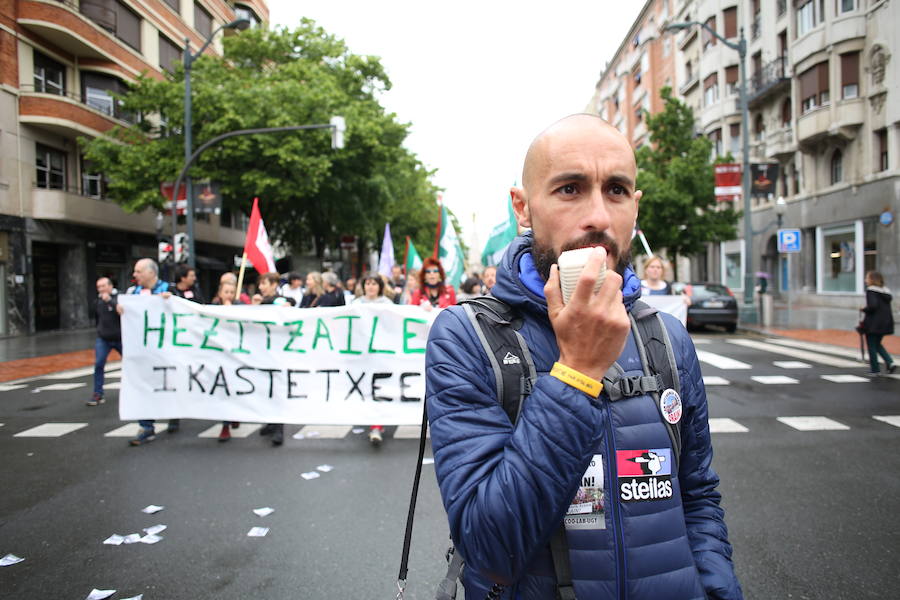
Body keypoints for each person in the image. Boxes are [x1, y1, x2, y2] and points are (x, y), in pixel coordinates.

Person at [425, 115, 742, 600]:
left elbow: (697, 496)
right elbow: (491, 547)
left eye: (616, 190)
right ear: (523, 208)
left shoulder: (667, 337)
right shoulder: (467, 336)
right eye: (570, 189)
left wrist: (718, 590)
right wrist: (576, 372)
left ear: (635, 209)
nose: (598, 216)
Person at [119, 259, 170, 446]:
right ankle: (146, 426)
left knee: (170, 384)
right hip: (142, 351)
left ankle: (174, 413)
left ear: (151, 272)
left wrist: (172, 301)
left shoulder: (167, 289)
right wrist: (121, 310)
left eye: (139, 271)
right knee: (142, 386)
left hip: (167, 351)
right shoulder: (133, 293)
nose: (135, 275)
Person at [253, 272, 295, 445]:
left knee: (276, 387)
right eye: (261, 284)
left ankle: (278, 428)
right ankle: (270, 422)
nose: (261, 287)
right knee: (265, 387)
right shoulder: (258, 301)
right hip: (262, 350)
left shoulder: (279, 301)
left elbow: (289, 303)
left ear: (274, 284)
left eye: (265, 284)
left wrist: (286, 304)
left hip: (277, 351)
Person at [352, 272, 394, 445]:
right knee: (365, 386)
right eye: (367, 283)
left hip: (380, 352)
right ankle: (371, 419)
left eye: (374, 284)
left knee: (378, 387)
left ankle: (377, 425)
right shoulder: (354, 304)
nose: (370, 287)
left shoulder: (387, 304)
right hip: (362, 353)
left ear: (380, 287)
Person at [210, 280, 242, 441]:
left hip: (235, 354)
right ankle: (225, 425)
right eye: (226, 292)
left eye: (232, 292)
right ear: (220, 293)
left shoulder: (239, 306)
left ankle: (234, 414)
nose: (229, 295)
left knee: (233, 385)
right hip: (218, 353)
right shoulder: (212, 308)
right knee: (223, 388)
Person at [88, 277, 121, 407]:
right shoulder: (98, 302)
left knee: (132, 363)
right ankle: (98, 393)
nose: (101, 289)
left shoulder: (119, 298)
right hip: (103, 338)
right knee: (99, 363)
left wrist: (111, 301)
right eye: (99, 287)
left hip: (120, 338)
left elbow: (122, 311)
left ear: (110, 286)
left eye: (103, 286)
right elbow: (96, 317)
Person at [860, 270, 896, 376]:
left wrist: (864, 309)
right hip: (885, 322)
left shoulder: (871, 291)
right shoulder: (886, 292)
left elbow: (873, 306)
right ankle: (890, 362)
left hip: (873, 323)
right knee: (877, 344)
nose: (865, 280)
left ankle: (875, 369)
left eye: (867, 278)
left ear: (872, 279)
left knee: (871, 345)